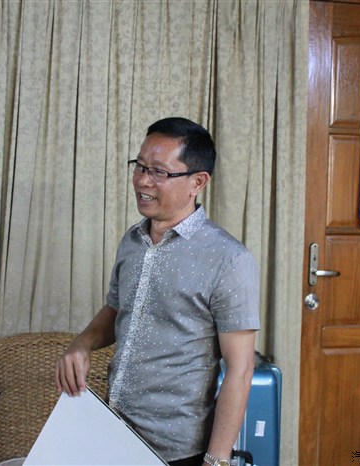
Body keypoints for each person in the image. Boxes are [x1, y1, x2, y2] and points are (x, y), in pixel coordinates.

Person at [55, 117, 260, 466]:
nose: (142, 180)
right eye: (140, 166)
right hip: (113, 429)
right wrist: (82, 343)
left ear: (198, 182)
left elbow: (240, 370)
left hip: (175, 449)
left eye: (159, 172)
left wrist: (217, 460)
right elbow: (116, 310)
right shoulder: (132, 241)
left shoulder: (229, 259)